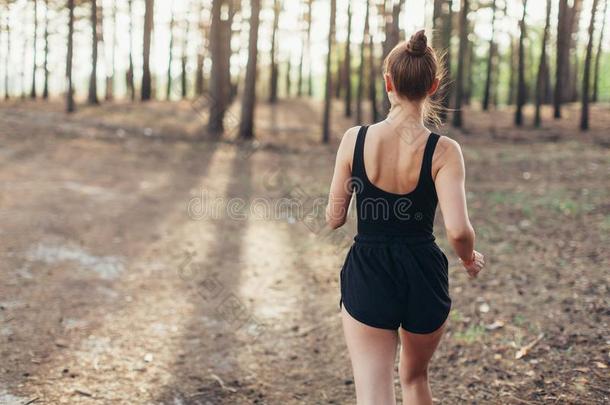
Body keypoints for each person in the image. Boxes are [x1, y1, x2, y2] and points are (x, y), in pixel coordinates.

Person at [325, 30, 485, 405]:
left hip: (369, 270)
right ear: (433, 85)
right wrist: (467, 258)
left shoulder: (355, 139)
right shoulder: (445, 151)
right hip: (423, 272)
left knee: (373, 392)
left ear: (388, 83)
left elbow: (334, 218)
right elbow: (458, 230)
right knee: (414, 378)